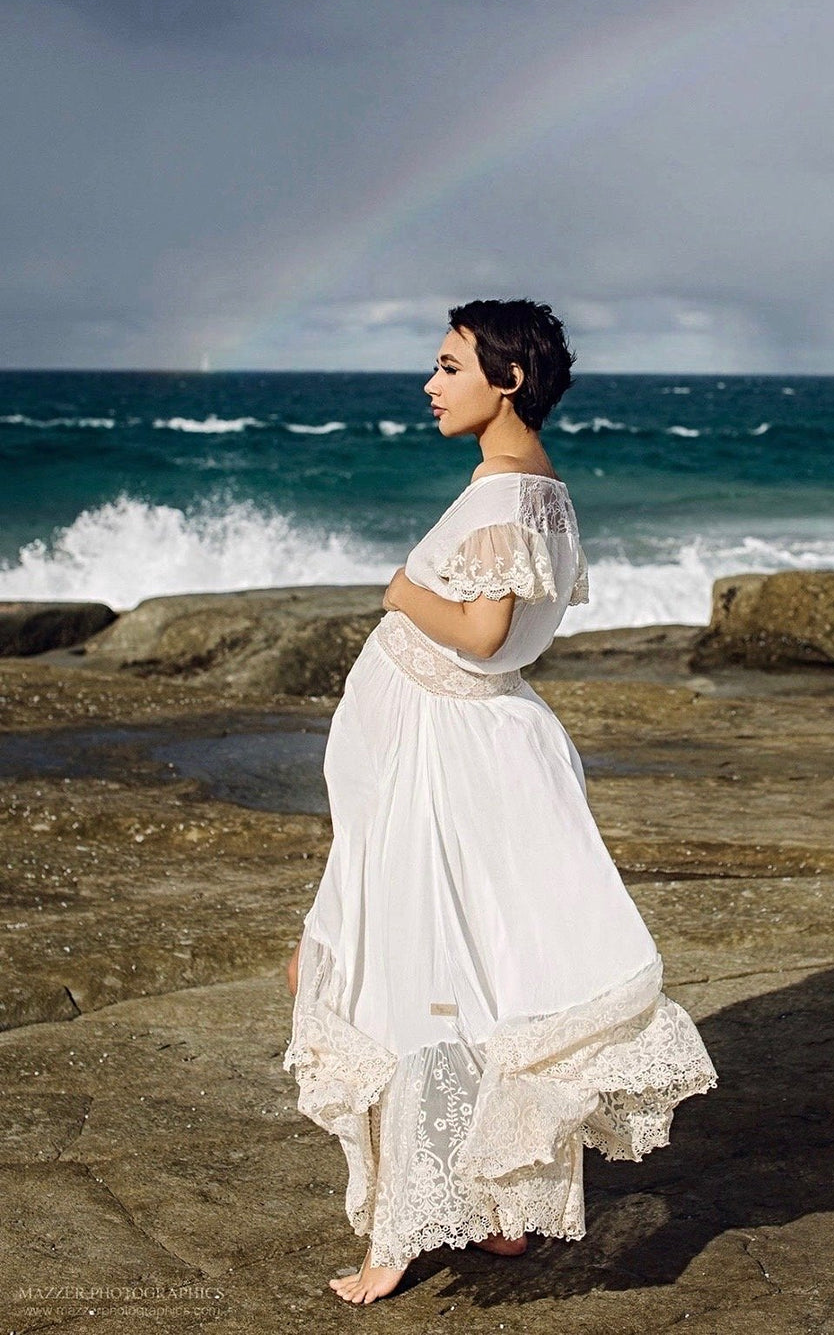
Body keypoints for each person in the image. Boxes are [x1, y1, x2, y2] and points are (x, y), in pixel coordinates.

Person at [283, 298, 717, 1305]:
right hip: (455, 754)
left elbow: (481, 635)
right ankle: (498, 1209)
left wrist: (399, 591)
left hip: (446, 762)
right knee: (477, 975)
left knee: (412, 975)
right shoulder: (539, 491)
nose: (429, 384)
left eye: (446, 365)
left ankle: (399, 1236)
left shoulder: (502, 498)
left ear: (506, 379)